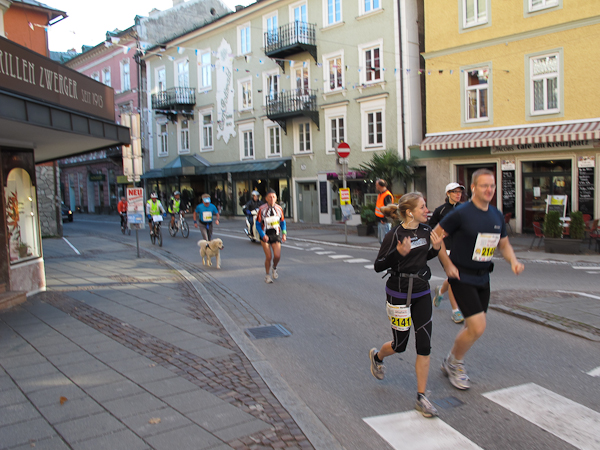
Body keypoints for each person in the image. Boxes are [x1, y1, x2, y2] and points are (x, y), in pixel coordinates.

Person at [433, 169, 524, 391]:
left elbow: (503, 244)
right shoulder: (461, 213)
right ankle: (455, 363)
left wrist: (513, 261)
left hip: (483, 277)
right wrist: (447, 264)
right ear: (473, 188)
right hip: (461, 276)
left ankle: (450, 360)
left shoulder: (496, 215)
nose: (489, 190)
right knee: (478, 326)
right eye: (484, 185)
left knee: (471, 327)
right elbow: (435, 236)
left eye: (492, 186)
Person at [369, 192, 443, 418]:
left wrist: (435, 249)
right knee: (400, 345)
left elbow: (422, 257)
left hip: (421, 292)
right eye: (423, 207)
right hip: (398, 293)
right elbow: (378, 265)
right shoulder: (394, 235)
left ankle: (421, 397)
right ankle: (377, 357)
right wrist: (397, 254)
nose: (427, 210)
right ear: (410, 212)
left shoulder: (426, 230)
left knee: (424, 344)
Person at [429, 182, 466, 324]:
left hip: (461, 248)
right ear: (448, 194)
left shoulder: (464, 209)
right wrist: (440, 236)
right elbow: (431, 228)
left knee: (455, 277)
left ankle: (440, 291)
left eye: (460, 192)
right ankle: (456, 311)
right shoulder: (441, 210)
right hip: (446, 249)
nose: (458, 194)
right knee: (454, 279)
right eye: (455, 192)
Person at [256, 189, 287, 284]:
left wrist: (284, 233)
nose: (272, 199)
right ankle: (267, 275)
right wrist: (263, 235)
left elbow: (282, 222)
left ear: (276, 198)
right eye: (270, 197)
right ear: (266, 198)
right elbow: (257, 224)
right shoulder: (262, 209)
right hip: (265, 234)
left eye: (273, 197)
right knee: (269, 257)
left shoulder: (279, 209)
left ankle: (274, 268)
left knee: (277, 256)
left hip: (275, 234)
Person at [375, 179, 394, 244]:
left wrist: (384, 219)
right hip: (381, 220)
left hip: (384, 221)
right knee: (382, 240)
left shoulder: (387, 195)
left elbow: (389, 208)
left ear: (380, 186)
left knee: (385, 241)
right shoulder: (380, 194)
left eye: (377, 185)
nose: (376, 186)